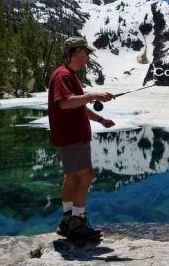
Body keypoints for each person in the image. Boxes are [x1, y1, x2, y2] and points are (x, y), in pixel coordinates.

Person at [48, 36, 115, 240]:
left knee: (72, 177)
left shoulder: (70, 75)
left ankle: (67, 220)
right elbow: (65, 103)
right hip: (72, 137)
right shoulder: (62, 75)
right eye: (86, 52)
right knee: (86, 176)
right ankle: (78, 223)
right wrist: (92, 95)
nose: (87, 56)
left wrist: (101, 119)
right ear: (77, 51)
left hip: (69, 136)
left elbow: (79, 107)